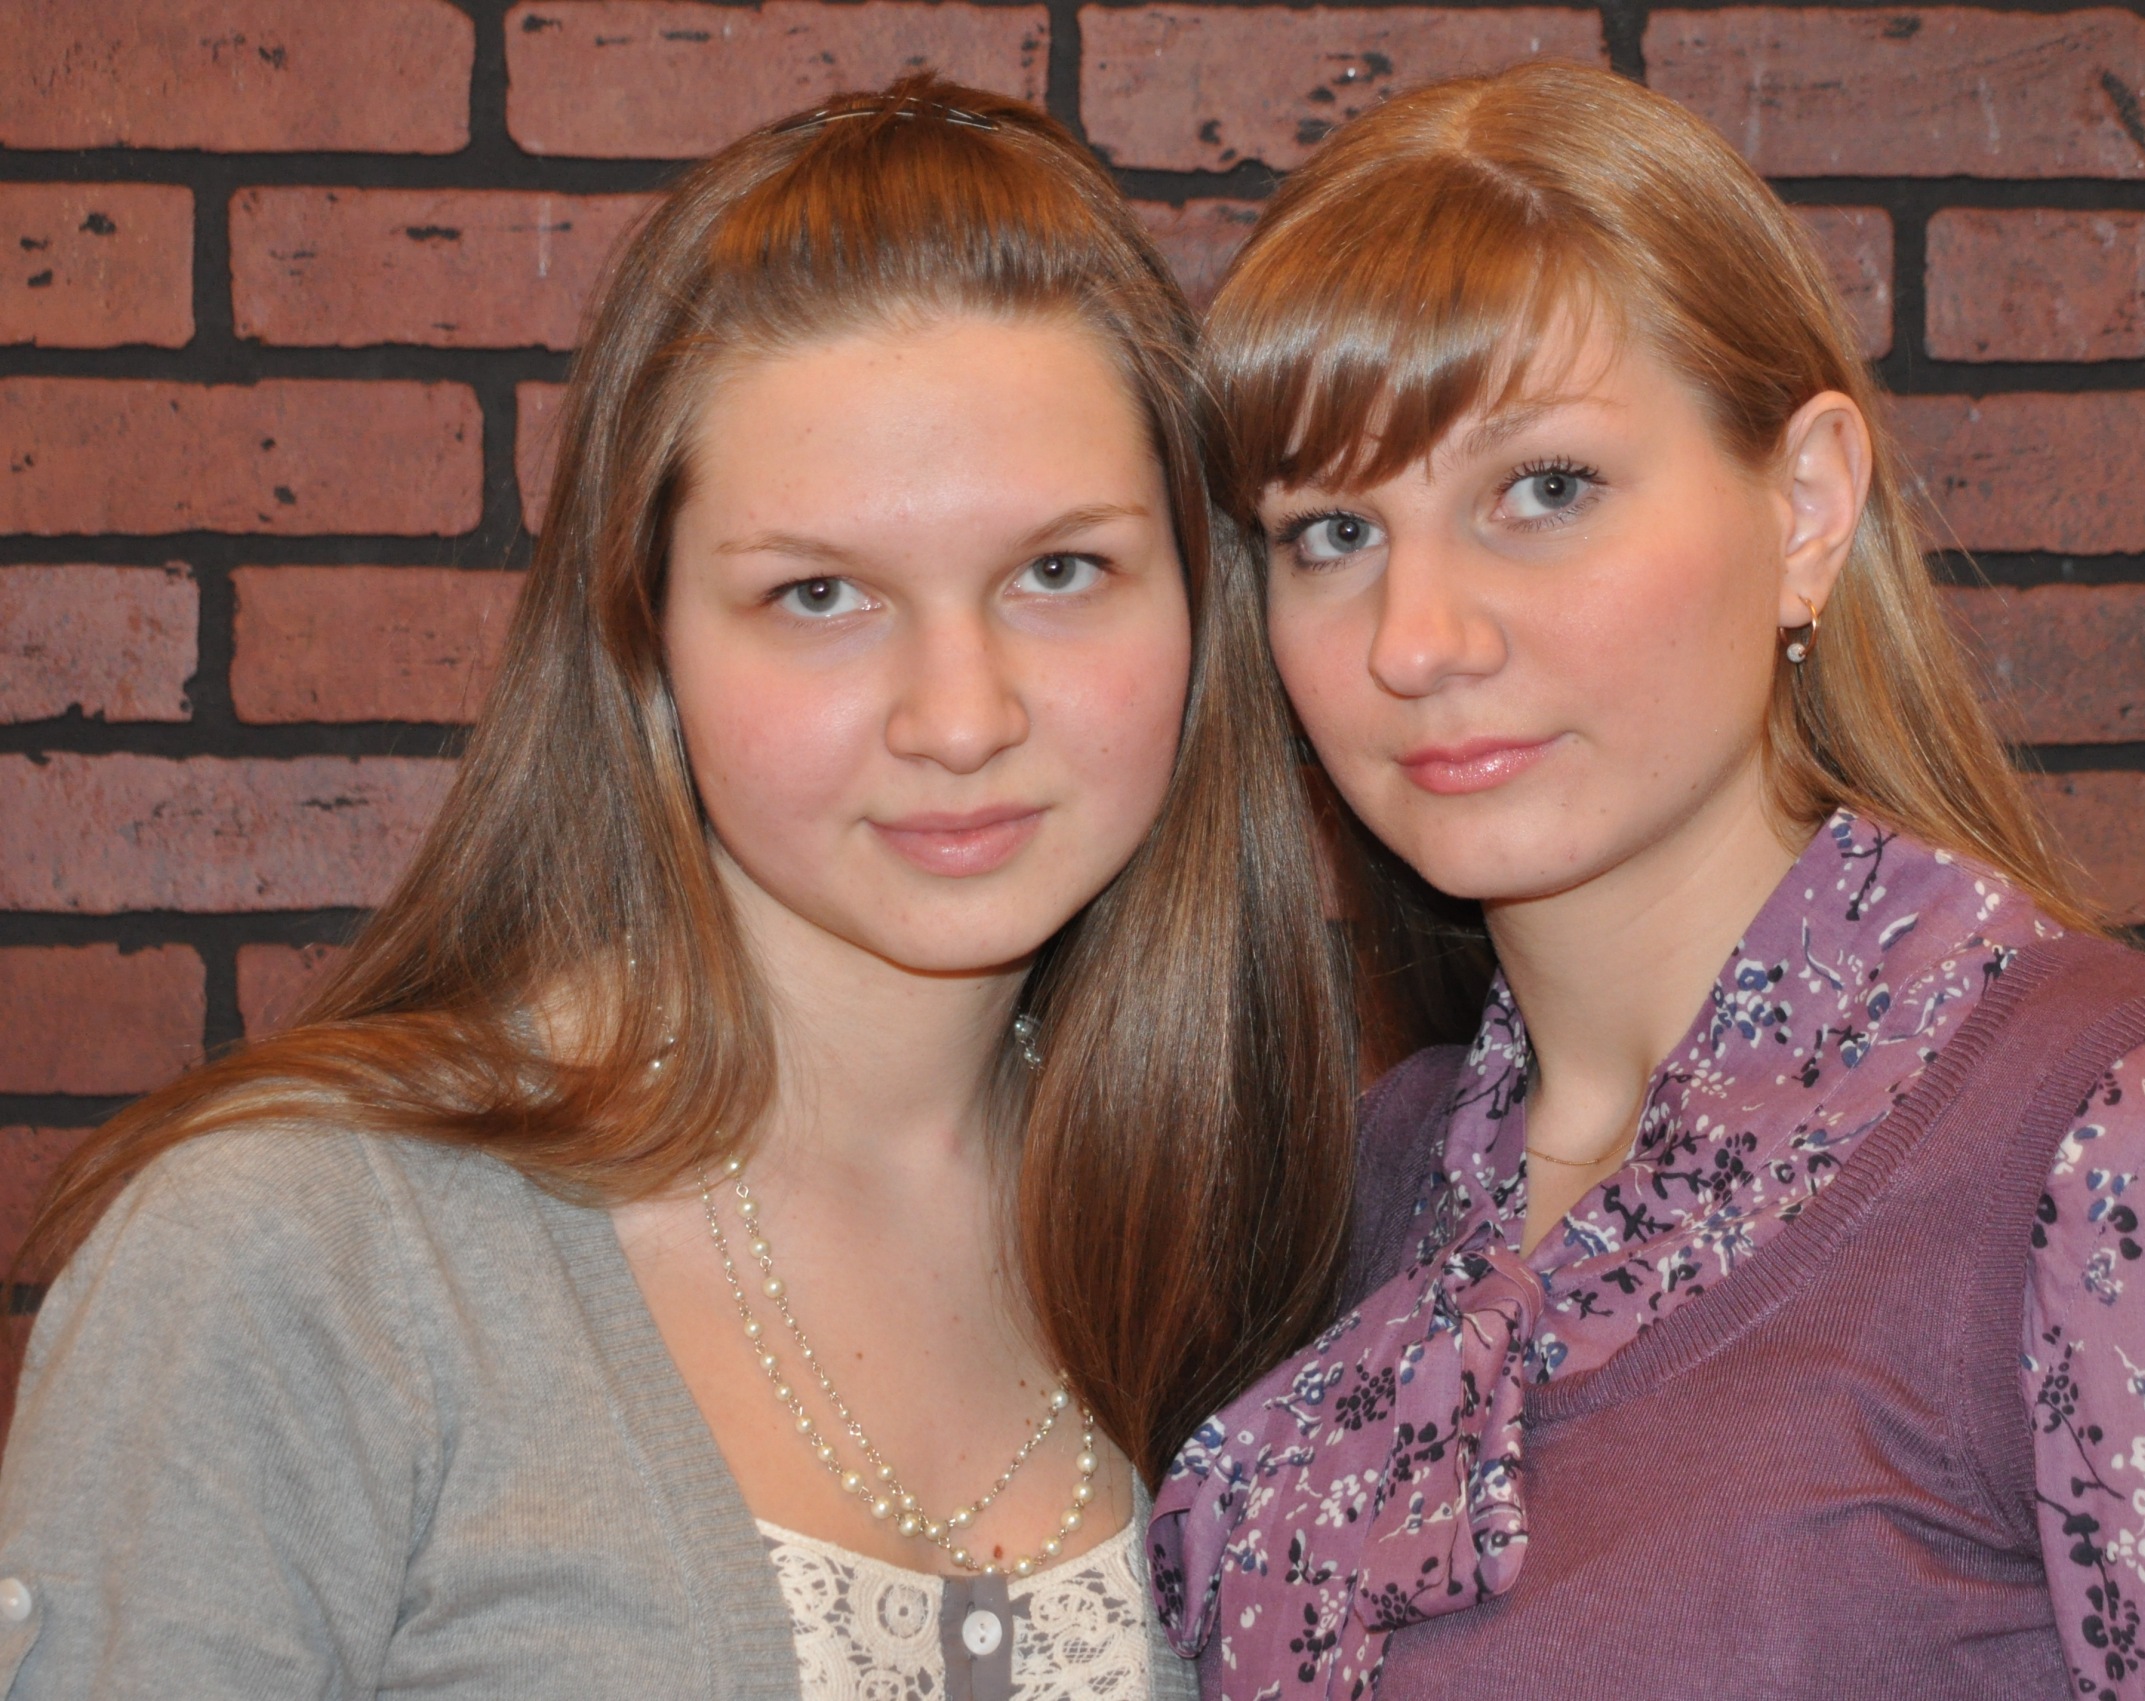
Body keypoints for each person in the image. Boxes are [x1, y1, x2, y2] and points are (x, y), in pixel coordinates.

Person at [1151, 61, 2145, 1700]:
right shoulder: (1390, 1176)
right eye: (1332, 533)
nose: (1417, 639)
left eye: (1546, 489)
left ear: (1805, 507)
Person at [0, 76, 1355, 1701]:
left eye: (1059, 571)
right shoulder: (298, 1252)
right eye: (820, 593)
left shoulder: (1253, 1244)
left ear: (1199, 601)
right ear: (649, 640)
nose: (960, 717)